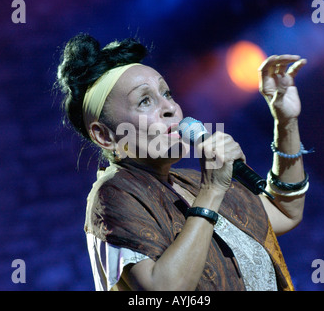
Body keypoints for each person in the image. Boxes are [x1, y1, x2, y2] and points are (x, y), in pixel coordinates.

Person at [56, 33, 310, 291]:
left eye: (167, 93)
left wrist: (285, 122)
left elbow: (284, 212)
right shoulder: (113, 194)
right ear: (104, 135)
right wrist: (211, 192)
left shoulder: (190, 182)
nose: (170, 108)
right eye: (145, 100)